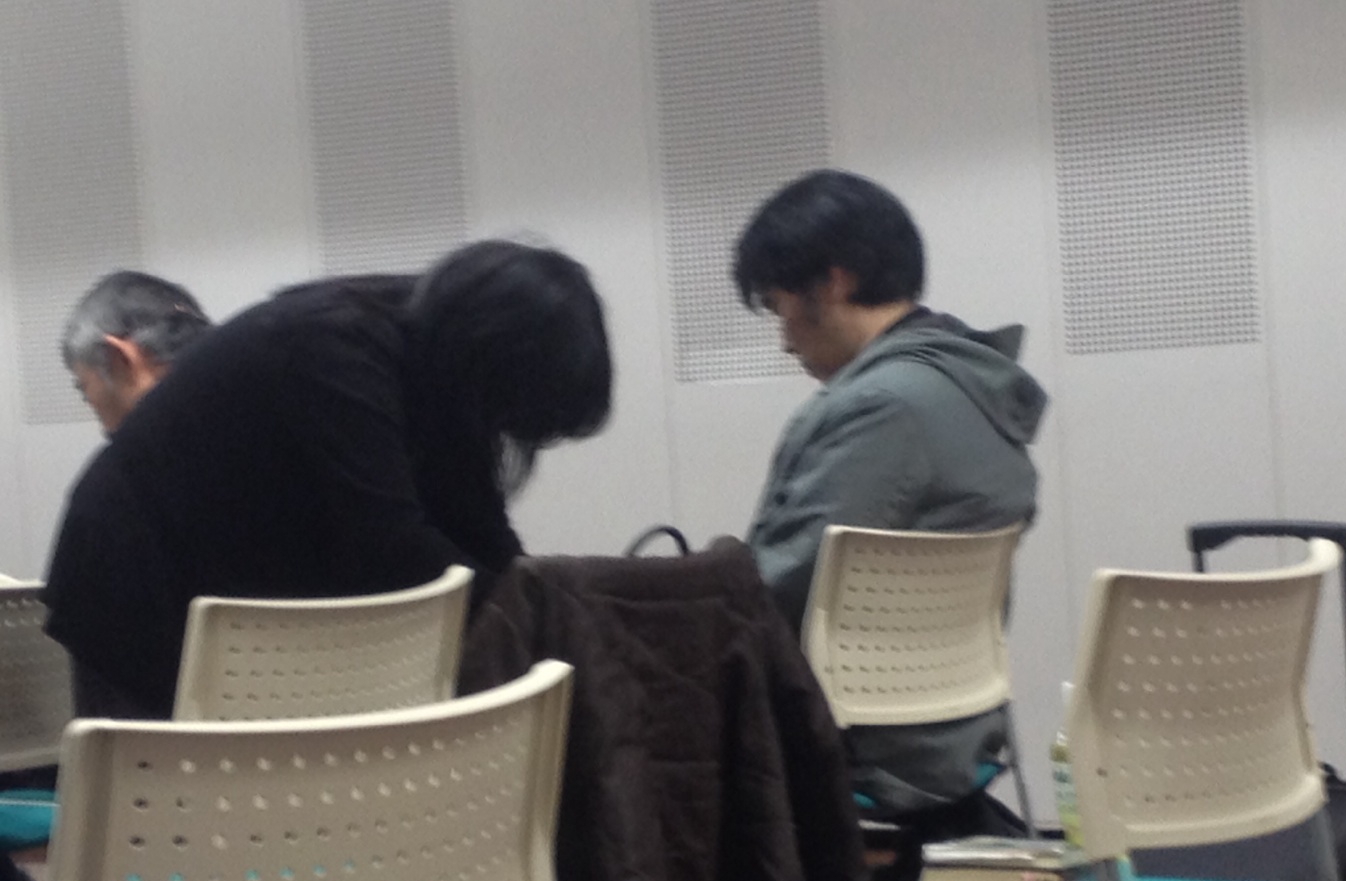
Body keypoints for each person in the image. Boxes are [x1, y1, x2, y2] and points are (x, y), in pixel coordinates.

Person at [44, 239, 613, 718]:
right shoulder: (331, 346)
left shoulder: (434, 367)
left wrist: (550, 613)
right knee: (156, 797)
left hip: (220, 579)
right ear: (489, 357)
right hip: (126, 576)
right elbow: (393, 550)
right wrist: (536, 625)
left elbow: (480, 530)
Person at [734, 169, 1049, 818]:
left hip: (859, 757)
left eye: (777, 304)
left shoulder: (882, 407)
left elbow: (773, 597)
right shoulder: (977, 391)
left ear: (833, 283)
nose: (783, 337)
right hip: (952, 745)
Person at [60, 271, 212, 433]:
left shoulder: (164, 444)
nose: (89, 402)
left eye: (83, 387)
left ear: (121, 358)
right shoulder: (227, 402)